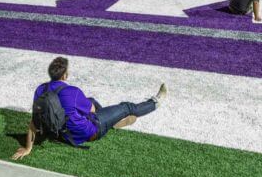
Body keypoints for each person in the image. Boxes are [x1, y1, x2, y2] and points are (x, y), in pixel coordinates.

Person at [11, 56, 167, 159]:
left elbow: (33, 122)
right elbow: (92, 111)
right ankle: (155, 102)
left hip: (61, 134)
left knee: (88, 101)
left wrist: (27, 148)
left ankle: (113, 121)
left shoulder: (40, 90)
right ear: (65, 76)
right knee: (126, 107)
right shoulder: (73, 91)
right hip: (91, 132)